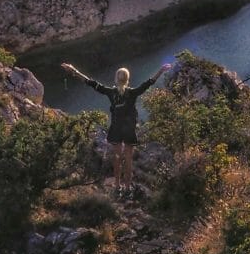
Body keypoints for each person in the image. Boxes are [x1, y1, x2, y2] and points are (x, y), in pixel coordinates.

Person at [60, 61, 172, 197]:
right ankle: (127, 187)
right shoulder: (133, 93)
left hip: (116, 127)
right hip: (129, 128)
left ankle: (117, 186)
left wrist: (73, 70)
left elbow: (91, 82)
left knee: (117, 158)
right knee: (129, 159)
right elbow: (149, 82)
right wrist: (161, 70)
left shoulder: (110, 92)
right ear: (128, 79)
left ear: (116, 78)